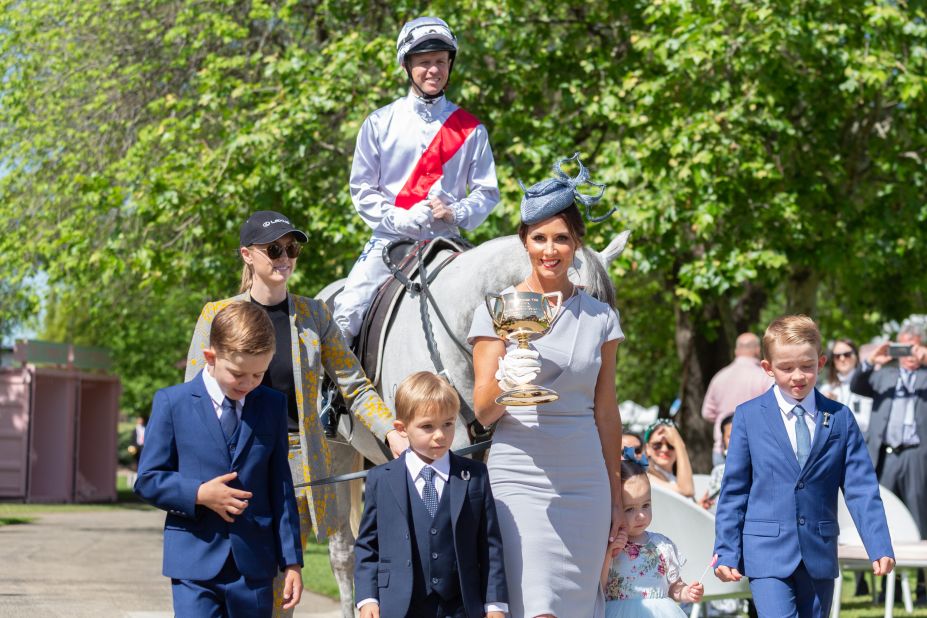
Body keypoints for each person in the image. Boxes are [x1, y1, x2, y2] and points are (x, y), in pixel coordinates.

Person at [185, 211, 406, 613]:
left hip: (297, 475)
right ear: (247, 255)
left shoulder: (314, 315)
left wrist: (391, 431)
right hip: (234, 466)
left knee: (280, 596)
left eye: (292, 248)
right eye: (274, 249)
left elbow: (354, 386)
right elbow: (194, 400)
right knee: (235, 587)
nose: (285, 257)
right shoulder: (216, 314)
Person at [469, 153, 623, 617]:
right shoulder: (497, 311)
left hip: (585, 482)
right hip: (520, 476)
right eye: (539, 238)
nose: (550, 249)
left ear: (577, 244)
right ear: (524, 241)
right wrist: (508, 377)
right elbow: (482, 411)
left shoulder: (602, 318)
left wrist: (616, 493)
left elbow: (606, 412)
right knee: (535, 606)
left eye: (561, 238)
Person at [333, 16, 500, 345]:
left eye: (440, 61)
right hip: (390, 239)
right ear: (407, 66)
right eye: (424, 62)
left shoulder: (471, 129)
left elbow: (487, 191)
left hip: (447, 239)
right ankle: (333, 395)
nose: (434, 70)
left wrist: (456, 213)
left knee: (495, 307)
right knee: (346, 311)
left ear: (450, 64)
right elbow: (362, 190)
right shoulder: (379, 123)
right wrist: (399, 217)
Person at [714, 314, 894, 617]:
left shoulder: (840, 418)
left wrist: (879, 544)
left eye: (807, 366)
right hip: (766, 552)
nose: (798, 375)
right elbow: (734, 491)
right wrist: (726, 551)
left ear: (821, 362)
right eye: (786, 368)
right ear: (768, 368)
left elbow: (861, 488)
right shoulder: (748, 417)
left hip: (819, 551)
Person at [135, 302, 303, 616]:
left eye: (258, 374)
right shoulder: (173, 403)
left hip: (254, 564)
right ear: (211, 357)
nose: (249, 383)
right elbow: (148, 480)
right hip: (193, 561)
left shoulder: (272, 405)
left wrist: (292, 561)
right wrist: (198, 493)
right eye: (238, 373)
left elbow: (280, 484)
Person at [354, 371, 508, 618]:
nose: (440, 435)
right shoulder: (381, 479)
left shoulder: (475, 476)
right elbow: (367, 546)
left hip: (460, 608)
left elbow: (490, 547)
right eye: (427, 426)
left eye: (448, 424)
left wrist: (495, 605)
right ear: (401, 429)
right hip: (401, 608)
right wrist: (367, 598)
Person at [850, 323, 927, 602]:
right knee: (886, 516)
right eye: (903, 347)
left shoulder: (924, 375)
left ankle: (920, 584)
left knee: (919, 516)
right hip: (886, 454)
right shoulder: (885, 375)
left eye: (913, 346)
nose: (908, 353)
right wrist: (872, 361)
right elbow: (857, 385)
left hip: (917, 453)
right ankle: (885, 586)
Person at [601, 460, 704, 617]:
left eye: (646, 505)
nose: (641, 515)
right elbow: (599, 588)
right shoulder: (607, 544)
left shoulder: (662, 545)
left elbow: (673, 586)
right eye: (629, 509)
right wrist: (609, 553)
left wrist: (686, 592)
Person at [701, 333, 773, 465]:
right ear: (758, 350)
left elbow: (707, 413)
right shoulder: (765, 377)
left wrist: (723, 419)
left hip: (722, 448)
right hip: (755, 449)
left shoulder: (719, 377)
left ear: (736, 351)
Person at [821, 338, 872, 434]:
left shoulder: (866, 386)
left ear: (856, 356)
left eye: (847, 354)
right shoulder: (826, 388)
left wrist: (837, 408)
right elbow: (824, 425)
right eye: (837, 356)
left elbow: (866, 425)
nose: (842, 359)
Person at [643, 419, 695, 499]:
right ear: (647, 449)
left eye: (670, 444)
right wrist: (679, 444)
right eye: (657, 445)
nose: (664, 449)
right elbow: (686, 491)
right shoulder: (645, 477)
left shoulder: (679, 477)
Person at [699, 415, 733, 511]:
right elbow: (713, 507)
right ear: (723, 440)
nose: (736, 440)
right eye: (730, 436)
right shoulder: (718, 471)